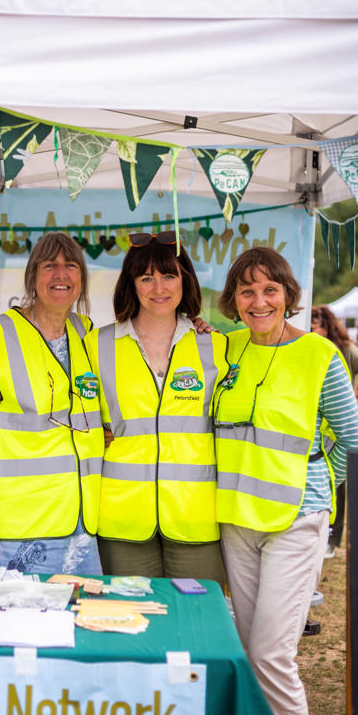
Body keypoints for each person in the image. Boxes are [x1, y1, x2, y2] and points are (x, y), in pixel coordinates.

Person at [214, 247, 358, 715]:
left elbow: (355, 441)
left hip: (296, 519)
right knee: (245, 649)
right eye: (247, 291)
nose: (259, 301)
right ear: (234, 300)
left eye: (270, 290)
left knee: (271, 655)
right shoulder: (225, 348)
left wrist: (318, 487)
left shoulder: (320, 355)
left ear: (288, 295)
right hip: (237, 519)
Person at [84, 231, 229, 588]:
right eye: (145, 277)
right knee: (130, 624)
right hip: (122, 517)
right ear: (130, 285)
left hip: (197, 516)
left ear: (186, 280)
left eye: (169, 275)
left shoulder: (217, 345)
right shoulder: (95, 345)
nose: (158, 287)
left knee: (198, 625)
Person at [0, 232, 104, 575]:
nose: (61, 275)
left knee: (81, 625)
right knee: (20, 627)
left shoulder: (87, 333)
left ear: (82, 280)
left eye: (71, 266)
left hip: (83, 528)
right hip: (22, 530)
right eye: (49, 265)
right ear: (32, 276)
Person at [311, 304, 358, 556]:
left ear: (327, 326)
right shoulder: (307, 350)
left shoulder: (347, 350)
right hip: (317, 426)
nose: (309, 331)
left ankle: (332, 539)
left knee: (338, 486)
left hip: (342, 423)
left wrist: (355, 392)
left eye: (314, 327)